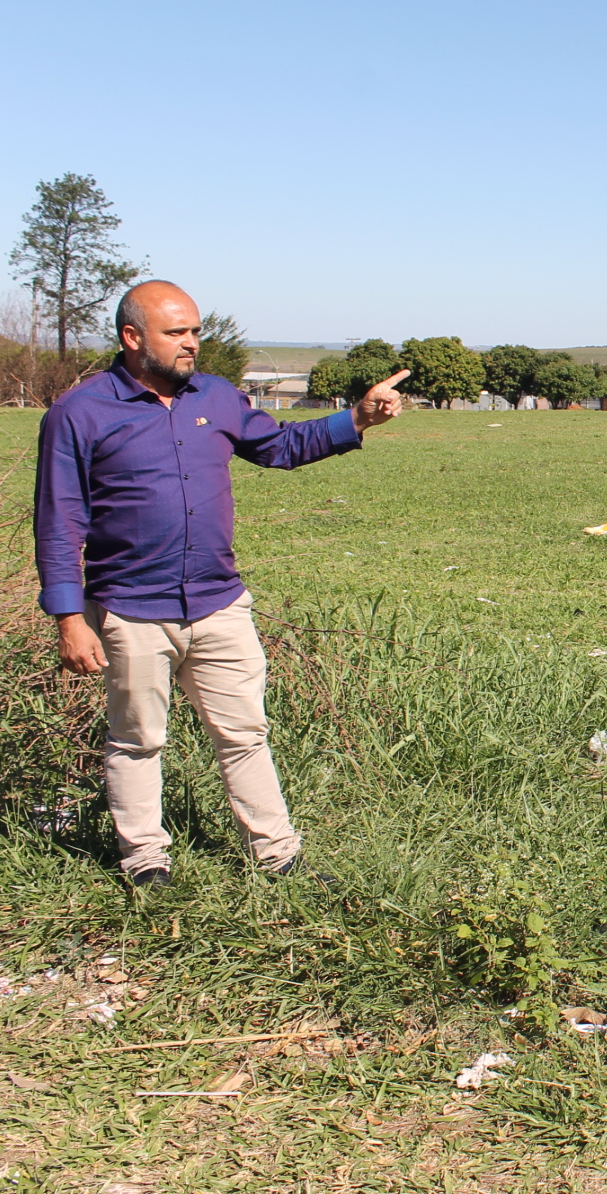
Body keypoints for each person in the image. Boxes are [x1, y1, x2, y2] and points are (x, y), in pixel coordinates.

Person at [33, 280, 410, 889]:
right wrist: (69, 619)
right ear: (132, 338)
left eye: (196, 331)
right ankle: (145, 860)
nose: (192, 344)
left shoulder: (216, 396)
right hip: (131, 610)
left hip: (219, 602)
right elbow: (58, 523)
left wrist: (358, 418)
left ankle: (277, 854)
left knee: (245, 734)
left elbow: (281, 446)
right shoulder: (79, 414)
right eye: (175, 333)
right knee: (136, 740)